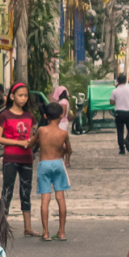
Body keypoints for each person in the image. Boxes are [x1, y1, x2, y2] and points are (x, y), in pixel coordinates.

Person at [0, 82, 37, 237]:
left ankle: (28, 227)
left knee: (26, 191)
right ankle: (2, 226)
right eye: (20, 95)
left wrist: (32, 142)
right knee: (7, 191)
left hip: (27, 158)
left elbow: (31, 137)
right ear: (12, 96)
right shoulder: (5, 115)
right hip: (10, 158)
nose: (23, 98)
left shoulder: (29, 116)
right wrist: (18, 143)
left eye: (25, 96)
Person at [34, 101, 72, 241]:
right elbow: (69, 150)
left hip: (44, 164)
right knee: (60, 198)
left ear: (45, 116)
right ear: (62, 115)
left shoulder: (41, 130)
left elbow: (32, 143)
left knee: (45, 199)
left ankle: (45, 232)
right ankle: (61, 231)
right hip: (58, 163)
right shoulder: (63, 133)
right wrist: (61, 151)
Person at [110, 73, 129, 154]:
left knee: (120, 131)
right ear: (126, 80)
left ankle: (121, 149)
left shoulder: (115, 91)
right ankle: (127, 140)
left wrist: (118, 101)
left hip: (119, 113)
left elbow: (111, 102)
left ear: (118, 81)